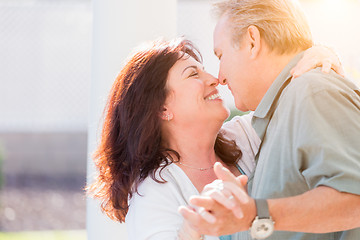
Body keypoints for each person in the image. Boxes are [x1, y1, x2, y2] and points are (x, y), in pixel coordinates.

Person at [86, 37, 344, 240]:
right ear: (161, 109)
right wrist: (191, 231)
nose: (214, 79)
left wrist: (320, 55)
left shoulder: (247, 135)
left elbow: (303, 104)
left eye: (205, 70)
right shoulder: (153, 196)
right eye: (193, 74)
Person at [179, 0, 360, 239]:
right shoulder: (280, 114)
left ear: (252, 41)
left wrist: (256, 214)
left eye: (221, 56)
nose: (220, 78)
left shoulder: (312, 92)